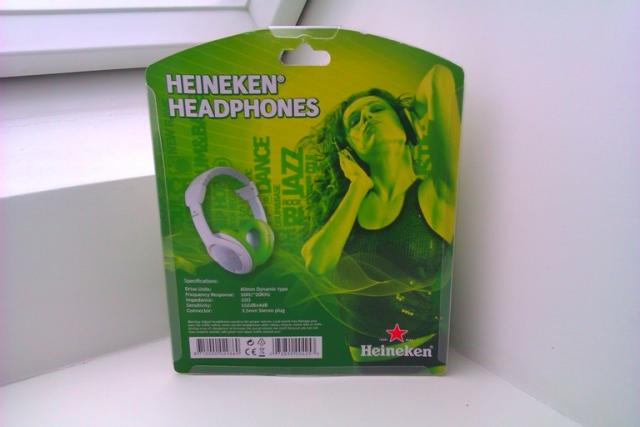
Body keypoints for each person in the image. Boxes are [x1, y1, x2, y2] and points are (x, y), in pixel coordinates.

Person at [297, 64, 461, 362]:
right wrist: (358, 187)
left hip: (424, 360)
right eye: (355, 121)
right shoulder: (348, 207)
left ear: (404, 124)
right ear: (349, 150)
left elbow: (439, 78)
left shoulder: (437, 192)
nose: (367, 118)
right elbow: (317, 263)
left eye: (376, 109)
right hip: (361, 368)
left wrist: (415, 119)